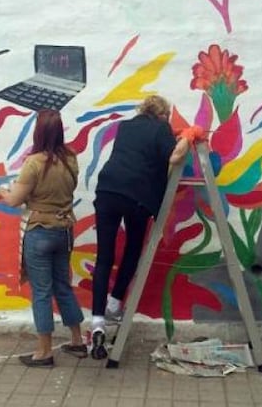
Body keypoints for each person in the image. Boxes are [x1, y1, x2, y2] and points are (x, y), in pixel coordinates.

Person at [89, 95, 191, 359]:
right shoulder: (160, 128)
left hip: (108, 190)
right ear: (163, 114)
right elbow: (175, 156)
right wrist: (189, 136)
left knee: (104, 258)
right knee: (133, 249)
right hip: (137, 197)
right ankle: (115, 302)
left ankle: (98, 321)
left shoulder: (125, 126)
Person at [0, 109, 87, 367]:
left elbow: (15, 200)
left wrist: (3, 192)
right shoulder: (71, 159)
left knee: (42, 292)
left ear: (38, 131)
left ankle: (44, 351)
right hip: (65, 230)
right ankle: (78, 340)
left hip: (39, 231)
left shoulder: (33, 163)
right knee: (63, 286)